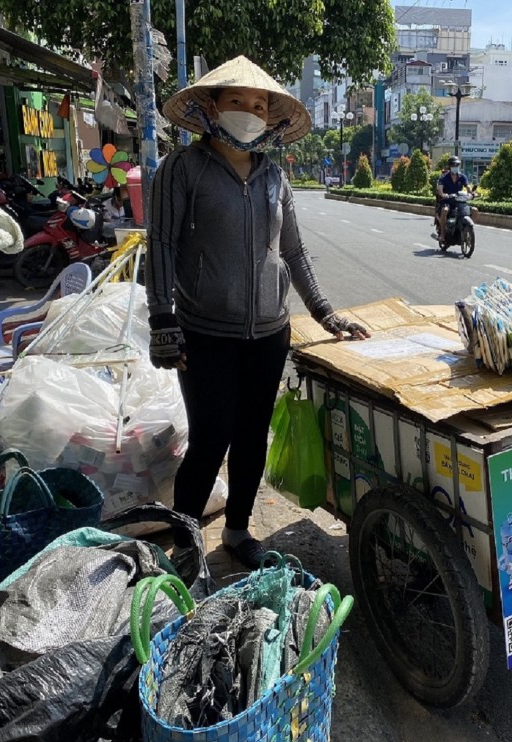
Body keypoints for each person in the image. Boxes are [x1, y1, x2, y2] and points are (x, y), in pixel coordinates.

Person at [146, 55, 370, 569]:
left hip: (270, 332)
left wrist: (325, 313)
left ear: (271, 117)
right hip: (205, 332)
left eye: (260, 104)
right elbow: (160, 245)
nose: (250, 110)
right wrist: (163, 320)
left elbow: (293, 252)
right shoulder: (183, 169)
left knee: (251, 435)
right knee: (211, 436)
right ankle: (185, 541)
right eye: (238, 101)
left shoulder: (274, 177)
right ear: (212, 107)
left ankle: (238, 530)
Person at [434, 155, 470, 243]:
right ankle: (443, 234)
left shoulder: (462, 177)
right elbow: (440, 189)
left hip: (459, 202)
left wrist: (472, 193)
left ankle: (468, 231)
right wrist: (443, 194)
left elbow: (468, 186)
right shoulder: (444, 177)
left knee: (475, 210)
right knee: (445, 210)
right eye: (454, 165)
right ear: (450, 166)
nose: (456, 167)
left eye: (457, 165)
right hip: (447, 201)